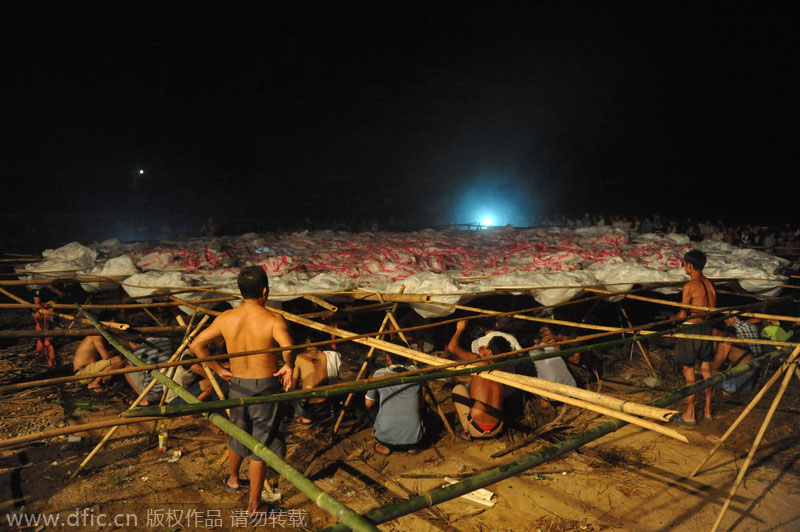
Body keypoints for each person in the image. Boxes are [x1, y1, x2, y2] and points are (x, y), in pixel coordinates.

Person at [189, 266, 294, 517]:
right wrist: (289, 365)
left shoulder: (226, 318)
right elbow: (288, 347)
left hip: (237, 386)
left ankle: (233, 479)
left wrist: (216, 367)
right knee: (262, 444)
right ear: (265, 291)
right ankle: (254, 506)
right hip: (265, 387)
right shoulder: (273, 320)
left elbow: (196, 345)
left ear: (240, 291)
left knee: (238, 432)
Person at [673, 249, 717, 425]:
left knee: (688, 371)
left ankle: (689, 415)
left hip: (692, 329)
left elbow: (684, 313)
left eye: (684, 264)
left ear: (690, 265)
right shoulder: (710, 284)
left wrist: (673, 319)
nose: (684, 267)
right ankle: (707, 411)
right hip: (707, 329)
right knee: (706, 370)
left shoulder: (690, 286)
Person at [447, 319, 507, 441]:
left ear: (490, 351)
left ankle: (466, 432)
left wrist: (460, 329)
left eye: (487, 347)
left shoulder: (477, 360)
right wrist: (484, 356)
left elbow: (452, 347)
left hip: (477, 429)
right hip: (497, 428)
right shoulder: (503, 369)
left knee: (458, 389)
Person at [364, 349, 424, 455]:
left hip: (385, 438)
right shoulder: (416, 372)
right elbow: (421, 403)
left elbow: (368, 403)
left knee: (371, 405)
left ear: (388, 357)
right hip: (414, 439)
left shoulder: (380, 374)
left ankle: (385, 445)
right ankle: (411, 446)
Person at [292, 330, 342, 424]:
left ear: (308, 341)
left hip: (308, 407)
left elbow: (292, 385)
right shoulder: (330, 356)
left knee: (289, 390)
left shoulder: (300, 357)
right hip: (326, 404)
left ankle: (306, 416)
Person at [122, 334, 174, 406]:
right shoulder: (167, 340)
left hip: (153, 394)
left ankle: (143, 399)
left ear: (139, 335)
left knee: (127, 369)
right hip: (172, 388)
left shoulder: (137, 351)